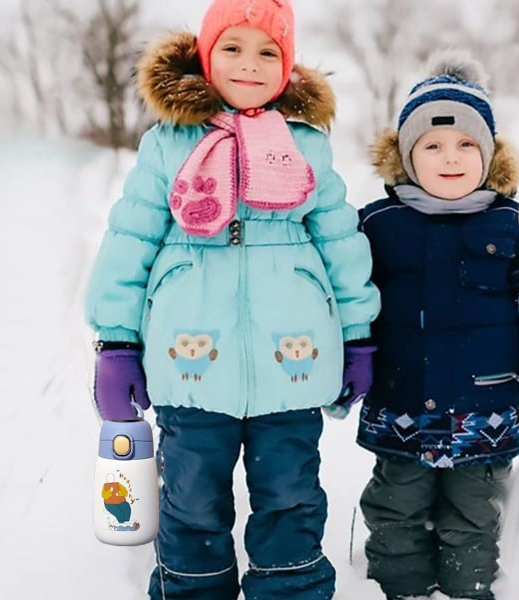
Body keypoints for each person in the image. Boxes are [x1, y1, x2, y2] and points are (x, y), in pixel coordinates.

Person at [84, 0, 380, 598]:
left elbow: (341, 243)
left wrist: (358, 335)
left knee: (291, 496)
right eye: (233, 48)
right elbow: (130, 241)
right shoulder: (169, 144)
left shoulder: (305, 146)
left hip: (290, 366)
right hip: (191, 365)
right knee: (191, 499)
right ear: (204, 56)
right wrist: (117, 342)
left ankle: (289, 589)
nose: (250, 64)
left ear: (288, 65)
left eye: (268, 51)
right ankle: (194, 589)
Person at [352, 50, 519, 600]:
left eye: (466, 144)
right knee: (395, 507)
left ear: (489, 154)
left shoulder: (511, 224)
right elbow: (348, 300)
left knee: (473, 514)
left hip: (486, 410)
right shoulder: (377, 226)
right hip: (403, 401)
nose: (451, 158)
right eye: (433, 145)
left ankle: (467, 589)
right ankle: (398, 589)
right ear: (406, 155)